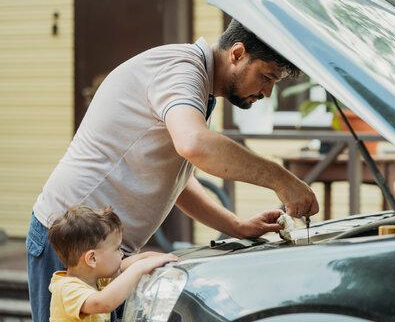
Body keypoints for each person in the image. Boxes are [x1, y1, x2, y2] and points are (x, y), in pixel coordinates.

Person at [26, 19, 319, 321]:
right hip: (70, 240)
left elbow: (177, 180)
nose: (268, 92)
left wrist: (237, 226)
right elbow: (195, 145)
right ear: (237, 53)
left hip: (107, 250)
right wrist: (281, 180)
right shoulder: (181, 70)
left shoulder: (199, 87)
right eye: (267, 77)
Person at [48, 205, 178, 322]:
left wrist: (149, 258)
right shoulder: (66, 289)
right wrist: (139, 268)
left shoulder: (95, 280)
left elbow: (124, 266)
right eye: (117, 249)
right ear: (92, 259)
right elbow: (103, 303)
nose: (122, 254)